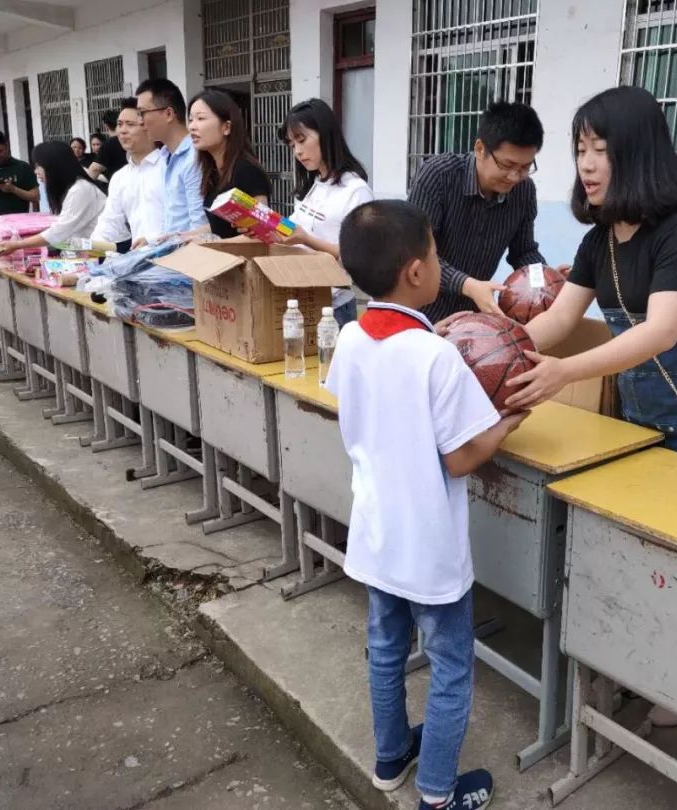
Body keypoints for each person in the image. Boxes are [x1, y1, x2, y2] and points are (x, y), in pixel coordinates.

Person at [328, 198, 527, 810]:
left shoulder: (355, 337)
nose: (442, 264)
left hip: (377, 534)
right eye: (437, 254)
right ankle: (438, 795)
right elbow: (462, 457)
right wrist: (513, 417)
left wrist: (426, 339)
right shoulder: (435, 355)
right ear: (417, 270)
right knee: (450, 668)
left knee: (385, 650)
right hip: (429, 549)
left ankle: (392, 757)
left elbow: (369, 403)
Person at [503, 85, 677, 466]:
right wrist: (499, 348)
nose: (586, 164)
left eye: (600, 150)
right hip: (636, 425)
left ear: (639, 153)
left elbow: (660, 332)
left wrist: (564, 371)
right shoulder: (600, 240)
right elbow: (561, 317)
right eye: (581, 151)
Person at [408, 101, 565, 324]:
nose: (515, 176)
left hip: (470, 319)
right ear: (480, 149)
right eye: (507, 165)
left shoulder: (524, 190)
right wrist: (467, 285)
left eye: (525, 167)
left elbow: (523, 251)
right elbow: (416, 252)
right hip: (420, 312)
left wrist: (547, 278)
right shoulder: (439, 176)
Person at [278, 98, 373, 326]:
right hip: (302, 300)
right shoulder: (315, 186)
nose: (298, 152)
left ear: (325, 134)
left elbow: (358, 257)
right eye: (292, 145)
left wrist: (307, 239)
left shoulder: (355, 190)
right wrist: (263, 225)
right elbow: (292, 228)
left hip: (334, 307)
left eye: (302, 140)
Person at [189, 90, 272, 239]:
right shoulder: (212, 172)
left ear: (226, 127)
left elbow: (262, 231)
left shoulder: (247, 171)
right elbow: (219, 227)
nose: (192, 127)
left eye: (200, 118)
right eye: (190, 120)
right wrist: (179, 237)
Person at [0, 141, 106, 253]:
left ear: (53, 166)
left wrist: (17, 245)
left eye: (38, 166)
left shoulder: (80, 189)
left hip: (102, 254)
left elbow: (59, 231)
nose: (36, 172)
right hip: (85, 250)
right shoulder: (70, 187)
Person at [90, 98, 165, 250]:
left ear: (149, 127)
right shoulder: (120, 177)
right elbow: (109, 223)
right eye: (119, 124)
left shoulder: (169, 167)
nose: (122, 131)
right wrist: (92, 248)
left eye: (130, 125)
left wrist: (153, 240)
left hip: (176, 261)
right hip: (138, 263)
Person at [136, 78, 207, 235]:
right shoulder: (165, 156)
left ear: (168, 114)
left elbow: (200, 230)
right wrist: (154, 243)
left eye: (143, 113)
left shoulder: (193, 159)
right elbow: (172, 219)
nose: (140, 121)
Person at [88, 111, 128, 182]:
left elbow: (94, 170)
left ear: (105, 125)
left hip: (117, 185)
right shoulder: (129, 140)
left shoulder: (108, 145)